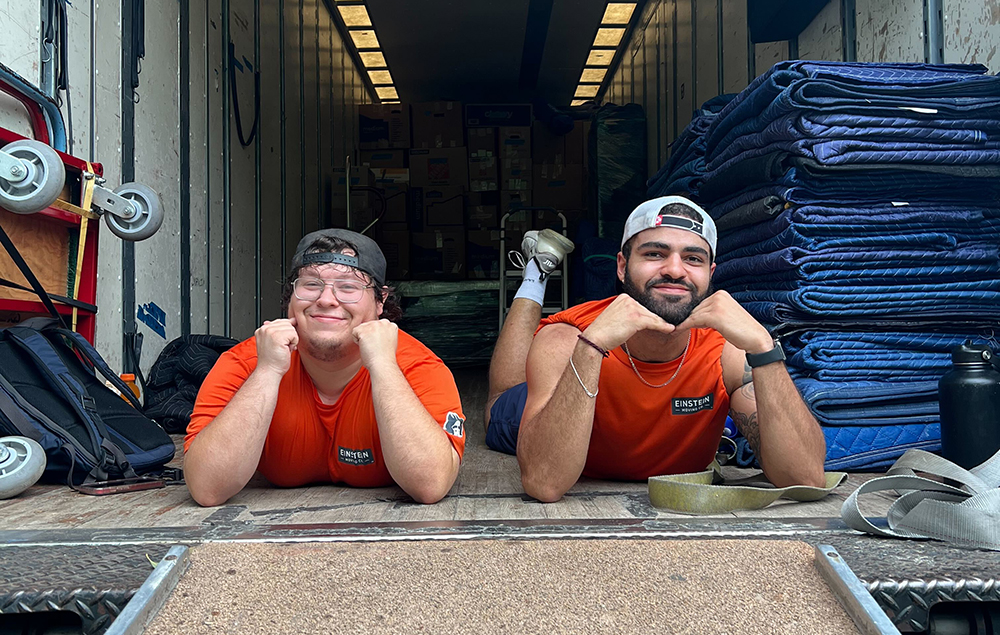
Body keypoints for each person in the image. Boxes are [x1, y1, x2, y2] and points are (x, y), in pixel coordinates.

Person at [484, 197, 826, 502]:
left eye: (692, 258)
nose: (675, 270)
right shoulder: (568, 337)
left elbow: (805, 479)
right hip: (555, 400)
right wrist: (591, 346)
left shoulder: (727, 350)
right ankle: (536, 273)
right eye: (654, 254)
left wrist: (764, 347)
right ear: (621, 266)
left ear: (710, 273)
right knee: (500, 403)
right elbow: (544, 483)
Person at [184, 230, 465, 506]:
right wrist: (268, 371)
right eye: (311, 284)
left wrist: (383, 366)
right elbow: (208, 488)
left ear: (380, 301)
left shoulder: (417, 364)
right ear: (290, 297)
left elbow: (430, 484)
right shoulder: (246, 362)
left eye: (348, 287)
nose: (327, 300)